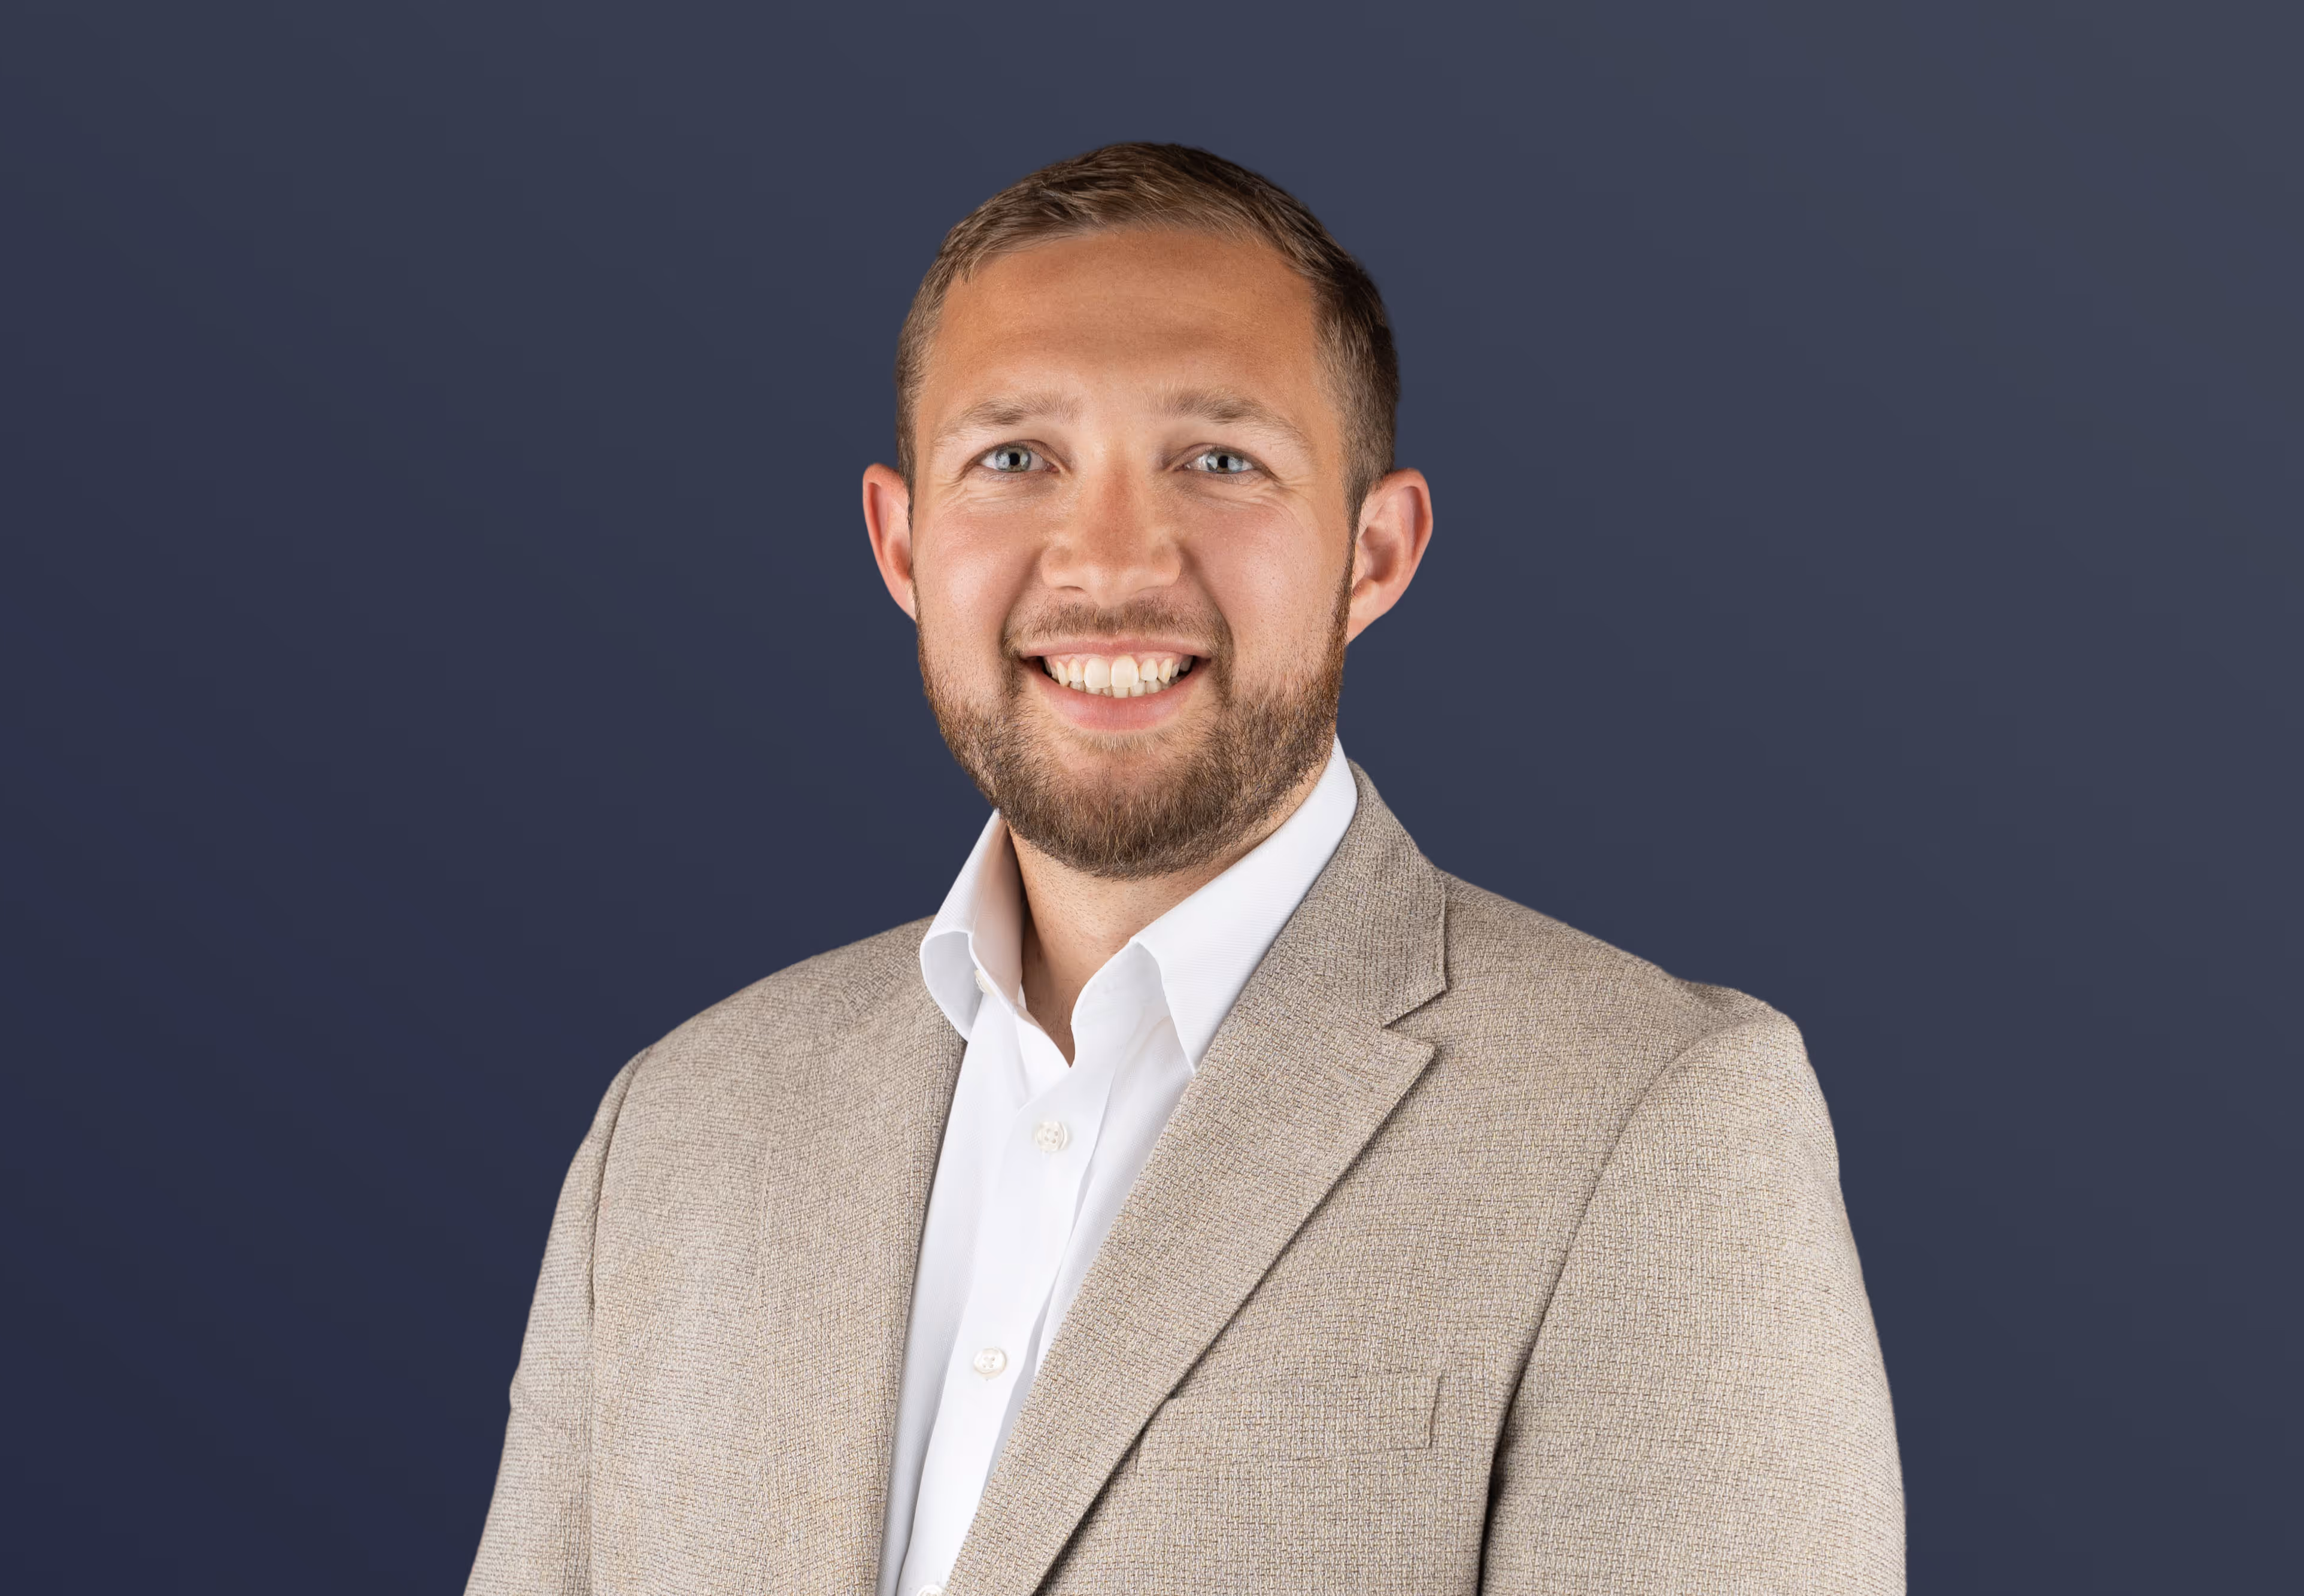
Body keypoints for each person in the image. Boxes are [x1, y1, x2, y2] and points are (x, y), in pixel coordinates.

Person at [466, 142, 1904, 1595]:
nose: (1105, 558)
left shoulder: (1655, 1123)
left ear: (1374, 549)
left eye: (1217, 460)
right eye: (1014, 458)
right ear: (902, 546)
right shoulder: (676, 1131)